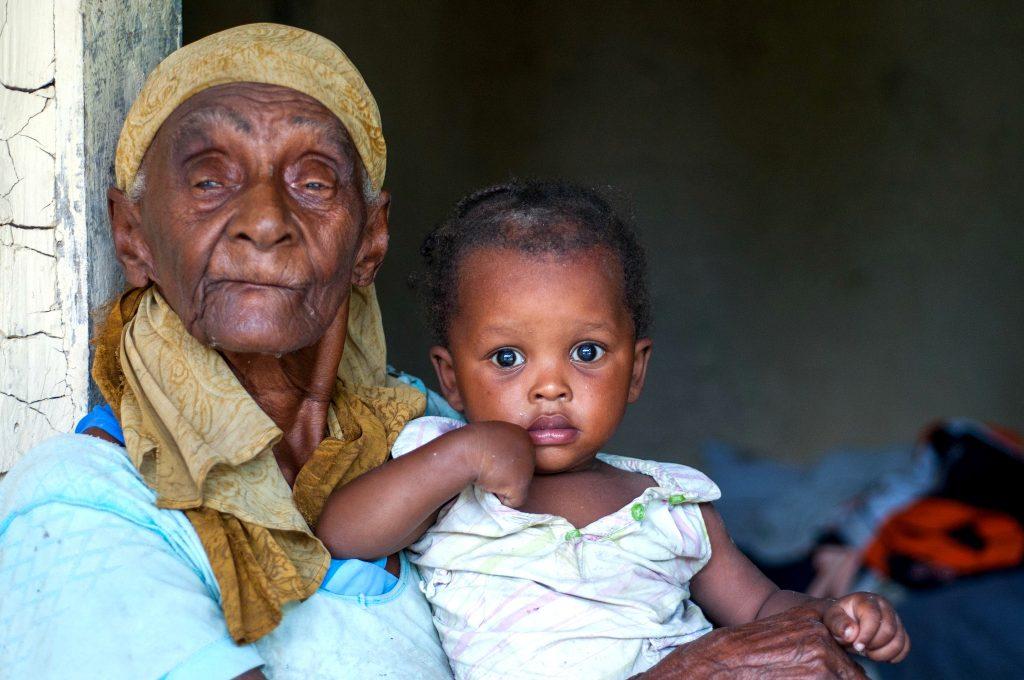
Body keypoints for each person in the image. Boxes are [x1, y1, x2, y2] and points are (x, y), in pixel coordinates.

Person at [0, 22, 871, 680]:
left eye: (313, 181)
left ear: (369, 240)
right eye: (209, 178)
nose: (265, 220)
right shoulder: (82, 503)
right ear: (132, 234)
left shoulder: (425, 431)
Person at [316, 181, 911, 678]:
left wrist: (838, 613)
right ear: (450, 378)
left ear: (636, 369)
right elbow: (342, 536)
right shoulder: (441, 473)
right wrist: (462, 455)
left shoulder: (670, 507)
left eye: (586, 351)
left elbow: (762, 608)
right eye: (507, 359)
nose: (550, 387)